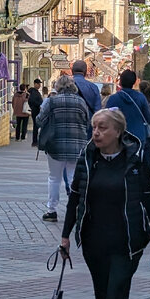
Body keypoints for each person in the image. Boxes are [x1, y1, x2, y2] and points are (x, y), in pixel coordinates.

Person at [60, 108, 150, 299]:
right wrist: (65, 237)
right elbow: (75, 198)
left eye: (103, 127)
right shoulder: (87, 159)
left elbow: (149, 199)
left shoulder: (135, 162)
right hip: (94, 239)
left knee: (118, 287)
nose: (96, 132)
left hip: (128, 240)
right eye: (94, 127)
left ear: (118, 132)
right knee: (103, 291)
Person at [35, 75, 91, 222]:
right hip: (77, 145)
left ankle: (51, 210)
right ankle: (76, 209)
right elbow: (88, 122)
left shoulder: (52, 101)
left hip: (55, 145)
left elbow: (39, 120)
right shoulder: (81, 102)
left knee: (54, 177)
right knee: (73, 177)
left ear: (58, 87)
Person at [104, 70, 150, 159]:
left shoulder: (113, 99)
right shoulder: (141, 97)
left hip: (118, 136)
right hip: (138, 135)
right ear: (134, 82)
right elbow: (148, 116)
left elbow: (106, 117)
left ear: (120, 82)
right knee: (137, 161)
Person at [28, 78, 44, 145]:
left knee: (36, 126)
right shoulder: (34, 92)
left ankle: (35, 141)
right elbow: (33, 101)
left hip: (36, 110)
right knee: (36, 126)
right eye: (38, 84)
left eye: (40, 84)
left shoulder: (35, 92)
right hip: (36, 110)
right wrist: (40, 105)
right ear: (35, 84)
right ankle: (34, 141)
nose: (39, 85)